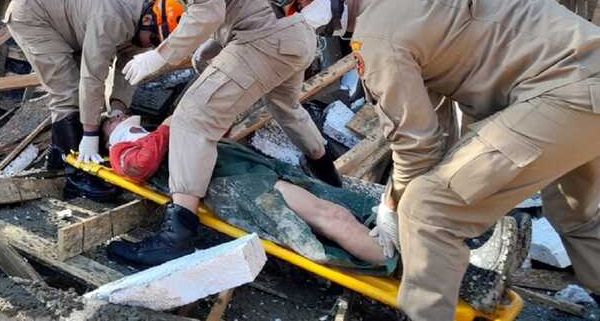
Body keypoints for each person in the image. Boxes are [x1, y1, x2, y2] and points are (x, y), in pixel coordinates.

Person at [264, 0, 600, 319]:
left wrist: (394, 208)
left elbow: (415, 144)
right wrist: (410, 192)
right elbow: (434, 130)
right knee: (578, 215)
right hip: (583, 85)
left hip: (564, 93)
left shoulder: (376, 34)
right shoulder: (398, 0)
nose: (307, 12)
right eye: (298, 8)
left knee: (429, 208)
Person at [107, 0, 337, 265]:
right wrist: (213, 46)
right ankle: (329, 178)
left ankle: (177, 234)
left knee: (194, 118)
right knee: (286, 107)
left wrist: (159, 56)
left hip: (262, 39)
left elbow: (208, 8)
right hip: (292, 34)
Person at [95, 112, 529, 314]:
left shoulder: (152, 129)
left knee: (359, 206)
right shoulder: (125, 147)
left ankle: (451, 253)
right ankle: (448, 275)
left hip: (255, 171)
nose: (116, 113)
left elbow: (212, 132)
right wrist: (179, 123)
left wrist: (189, 122)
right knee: (334, 220)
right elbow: (136, 167)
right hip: (242, 186)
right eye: (109, 116)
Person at [4, 0, 184, 201]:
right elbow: (93, 75)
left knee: (80, 94)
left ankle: (59, 160)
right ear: (149, 20)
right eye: (154, 41)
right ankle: (75, 176)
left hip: (67, 22)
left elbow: (126, 69)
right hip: (33, 15)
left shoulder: (141, 19)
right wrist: (90, 133)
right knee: (67, 91)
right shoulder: (112, 19)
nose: (151, 46)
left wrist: (118, 106)